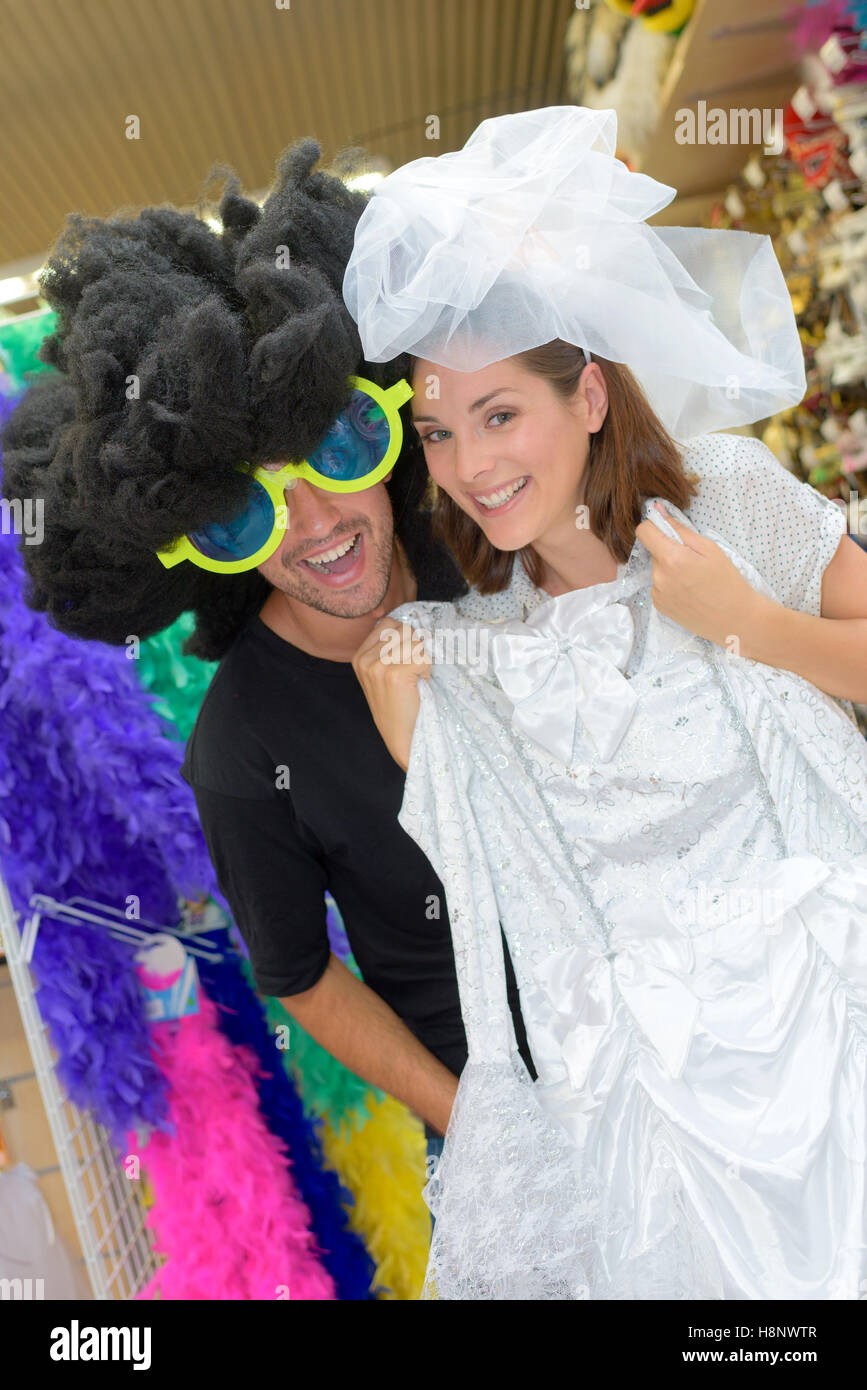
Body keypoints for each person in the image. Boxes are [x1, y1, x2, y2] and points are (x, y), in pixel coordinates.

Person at [343, 105, 867, 1299]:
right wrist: (415, 722)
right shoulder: (465, 662)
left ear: (586, 396)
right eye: (437, 431)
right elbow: (497, 895)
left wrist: (750, 624)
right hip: (672, 1158)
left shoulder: (729, 498)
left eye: (499, 414)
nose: (471, 466)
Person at [0, 139, 538, 1185]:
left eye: (339, 449)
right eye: (245, 509)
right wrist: (469, 1118)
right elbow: (300, 975)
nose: (314, 526)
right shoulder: (241, 748)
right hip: (501, 1111)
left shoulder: (495, 561)